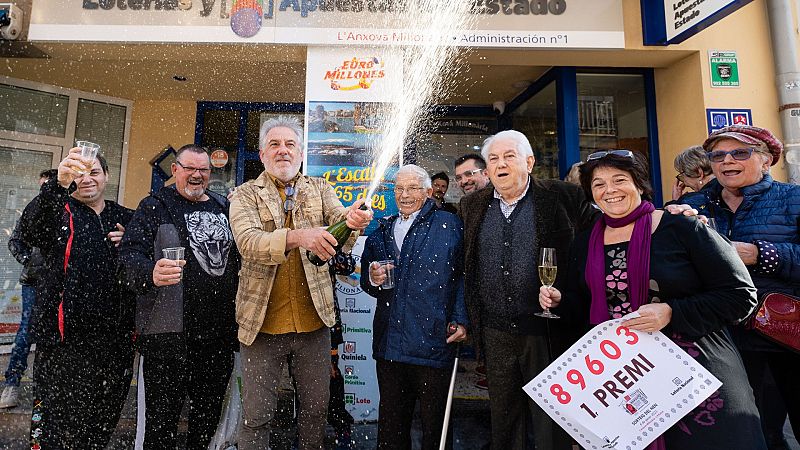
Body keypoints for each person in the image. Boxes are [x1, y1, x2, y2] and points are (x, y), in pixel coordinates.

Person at [539, 149, 766, 449]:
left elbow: (740, 296)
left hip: (696, 376)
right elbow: (585, 308)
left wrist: (671, 311)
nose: (610, 190)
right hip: (625, 381)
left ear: (639, 184)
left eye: (619, 180)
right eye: (599, 184)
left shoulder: (683, 228)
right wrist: (560, 302)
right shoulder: (583, 242)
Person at [230, 116, 372, 450]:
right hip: (261, 327)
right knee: (257, 415)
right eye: (274, 145)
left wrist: (352, 221)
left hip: (314, 327)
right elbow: (248, 243)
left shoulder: (320, 188)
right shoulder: (244, 194)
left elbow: (342, 231)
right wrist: (298, 236)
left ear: (301, 153)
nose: (283, 151)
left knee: (315, 411)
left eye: (290, 144)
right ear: (263, 155)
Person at [458, 130, 597, 450]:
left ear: (530, 162)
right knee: (505, 419)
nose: (500, 164)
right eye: (493, 159)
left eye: (509, 156)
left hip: (549, 329)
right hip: (495, 332)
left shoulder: (563, 196)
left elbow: (605, 231)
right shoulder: (471, 205)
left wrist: (664, 214)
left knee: (552, 417)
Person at [678, 125, 800, 448]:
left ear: (766, 161)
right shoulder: (696, 204)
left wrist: (760, 254)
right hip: (726, 341)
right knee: (750, 433)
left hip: (787, 336)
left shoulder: (793, 199)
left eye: (739, 153)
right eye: (718, 155)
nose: (727, 160)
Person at [119, 144, 239, 449]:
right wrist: (150, 273)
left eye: (204, 170)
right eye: (190, 168)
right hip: (167, 340)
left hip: (217, 339)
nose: (197, 175)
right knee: (160, 427)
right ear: (176, 170)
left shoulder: (224, 207)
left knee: (206, 423)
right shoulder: (154, 206)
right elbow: (127, 257)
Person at [22, 149, 135, 449]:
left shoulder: (124, 217)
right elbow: (28, 231)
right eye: (79, 173)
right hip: (61, 342)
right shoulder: (56, 209)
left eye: (94, 172)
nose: (87, 179)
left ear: (107, 177)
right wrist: (56, 186)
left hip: (113, 342)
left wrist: (131, 246)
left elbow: (145, 261)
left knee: (100, 422)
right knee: (47, 425)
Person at [360, 164, 468, 450]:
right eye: (399, 189)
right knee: (392, 427)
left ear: (429, 192)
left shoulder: (450, 225)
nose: (404, 195)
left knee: (436, 429)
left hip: (433, 342)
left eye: (413, 188)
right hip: (390, 346)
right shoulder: (380, 233)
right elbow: (367, 281)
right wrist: (371, 277)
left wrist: (460, 317)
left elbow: (463, 275)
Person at [0, 169, 57, 409]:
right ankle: (11, 383)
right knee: (26, 332)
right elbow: (15, 240)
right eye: (41, 186)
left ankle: (51, 387)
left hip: (61, 282)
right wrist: (29, 259)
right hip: (34, 282)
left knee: (58, 335)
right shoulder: (34, 210)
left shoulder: (66, 210)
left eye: (47, 186)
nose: (42, 191)